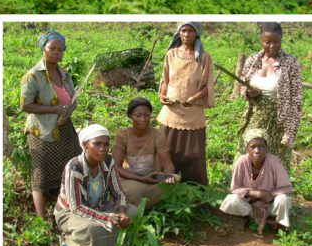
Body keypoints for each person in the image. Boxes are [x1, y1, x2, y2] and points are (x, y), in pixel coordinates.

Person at [53, 124, 136, 246]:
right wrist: (107, 218)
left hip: (98, 206)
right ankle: (69, 243)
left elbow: (118, 193)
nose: (102, 149)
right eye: (97, 144)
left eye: (106, 144)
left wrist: (121, 212)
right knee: (91, 229)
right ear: (85, 145)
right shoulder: (75, 167)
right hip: (69, 212)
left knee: (132, 212)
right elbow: (76, 207)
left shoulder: (108, 161)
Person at [20, 31, 80, 218]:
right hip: (41, 131)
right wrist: (54, 110)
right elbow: (25, 105)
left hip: (64, 128)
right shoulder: (32, 76)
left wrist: (68, 109)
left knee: (71, 165)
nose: (56, 52)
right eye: (52, 48)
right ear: (43, 49)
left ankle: (67, 205)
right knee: (41, 174)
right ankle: (41, 218)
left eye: (60, 50)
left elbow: (73, 99)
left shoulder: (65, 75)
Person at [237, 23, 302, 169]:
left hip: (278, 119)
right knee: (251, 151)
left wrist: (290, 129)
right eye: (268, 42)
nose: (272, 46)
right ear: (261, 41)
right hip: (253, 116)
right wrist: (249, 92)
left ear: (281, 40)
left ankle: (275, 188)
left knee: (274, 157)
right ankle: (247, 186)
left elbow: (296, 98)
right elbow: (242, 85)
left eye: (276, 42)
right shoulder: (253, 60)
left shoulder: (290, 63)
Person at [157, 22, 214, 186]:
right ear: (178, 33)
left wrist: (194, 98)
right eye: (184, 30)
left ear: (197, 34)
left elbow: (207, 85)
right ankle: (166, 185)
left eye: (191, 31)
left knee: (193, 154)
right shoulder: (171, 54)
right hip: (171, 112)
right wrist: (162, 95)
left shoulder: (204, 57)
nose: (187, 34)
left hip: (193, 112)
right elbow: (164, 79)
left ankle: (194, 188)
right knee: (167, 150)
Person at [219, 128, 292, 234]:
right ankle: (246, 217)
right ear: (247, 149)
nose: (257, 150)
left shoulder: (274, 162)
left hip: (269, 204)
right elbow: (234, 188)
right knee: (232, 200)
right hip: (248, 204)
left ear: (266, 148)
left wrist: (270, 195)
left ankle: (281, 224)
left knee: (283, 200)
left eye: (261, 146)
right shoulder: (242, 162)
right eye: (253, 147)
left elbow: (287, 187)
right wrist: (258, 194)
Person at [112, 97, 178, 207]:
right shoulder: (123, 135)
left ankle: (140, 202)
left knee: (174, 180)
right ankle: (143, 201)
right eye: (138, 115)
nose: (143, 119)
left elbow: (167, 163)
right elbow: (116, 167)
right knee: (132, 192)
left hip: (153, 177)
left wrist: (168, 176)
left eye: (146, 115)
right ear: (130, 116)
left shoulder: (157, 135)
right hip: (130, 177)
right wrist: (141, 178)